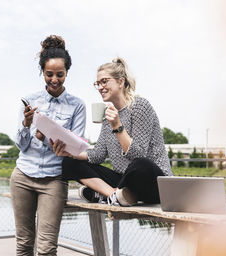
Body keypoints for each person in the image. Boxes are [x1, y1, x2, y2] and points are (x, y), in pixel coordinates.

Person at [51, 57, 172, 206]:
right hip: (126, 183)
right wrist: (70, 152)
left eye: (104, 81)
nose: (100, 87)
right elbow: (98, 155)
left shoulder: (140, 106)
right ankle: (113, 195)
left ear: (120, 82)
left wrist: (117, 126)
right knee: (70, 163)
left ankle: (103, 194)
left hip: (157, 184)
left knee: (141, 164)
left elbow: (139, 155)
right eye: (98, 83)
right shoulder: (107, 114)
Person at [10, 35, 86, 256]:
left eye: (59, 75)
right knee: (24, 244)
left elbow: (77, 147)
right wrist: (26, 125)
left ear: (66, 73)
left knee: (46, 248)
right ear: (42, 72)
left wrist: (56, 143)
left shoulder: (77, 106)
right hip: (23, 176)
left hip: (53, 180)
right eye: (49, 74)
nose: (54, 79)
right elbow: (22, 146)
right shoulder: (30, 101)